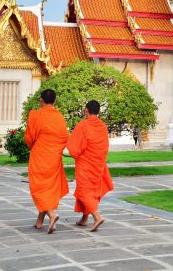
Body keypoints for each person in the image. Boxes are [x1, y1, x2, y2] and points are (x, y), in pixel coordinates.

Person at [24, 89, 68, 234]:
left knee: (39, 187)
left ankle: (52, 214)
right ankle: (40, 221)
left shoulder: (35, 115)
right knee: (50, 188)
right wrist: (56, 151)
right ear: (54, 101)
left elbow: (30, 137)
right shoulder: (60, 117)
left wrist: (34, 147)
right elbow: (64, 137)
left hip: (40, 156)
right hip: (54, 158)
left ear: (41, 100)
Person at [66, 100, 114, 231]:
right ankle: (84, 219)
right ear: (99, 111)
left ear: (86, 110)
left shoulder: (83, 125)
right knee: (91, 190)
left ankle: (97, 217)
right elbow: (105, 147)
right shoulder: (103, 126)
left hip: (85, 164)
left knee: (83, 191)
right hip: (98, 163)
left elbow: (75, 147)